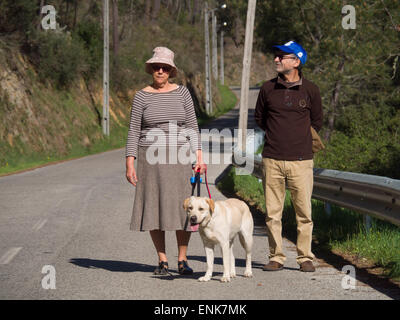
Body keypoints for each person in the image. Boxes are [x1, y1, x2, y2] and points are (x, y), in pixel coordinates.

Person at [125, 46, 206, 276]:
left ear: (171, 71)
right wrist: (129, 162)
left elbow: (192, 125)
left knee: (185, 209)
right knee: (154, 207)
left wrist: (198, 156)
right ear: (151, 69)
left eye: (165, 68)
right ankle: (162, 260)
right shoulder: (141, 96)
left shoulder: (182, 93)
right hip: (150, 159)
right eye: (156, 67)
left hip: (181, 158)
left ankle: (182, 259)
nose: (160, 71)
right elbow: (133, 130)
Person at [254, 41, 323, 272]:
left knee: (304, 214)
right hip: (272, 159)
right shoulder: (266, 89)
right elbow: (260, 119)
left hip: (302, 161)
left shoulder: (311, 90)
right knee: (273, 214)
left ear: (296, 61)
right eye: (276, 55)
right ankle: (276, 256)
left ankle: (305, 258)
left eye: (281, 56)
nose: (276, 59)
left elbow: (317, 121)